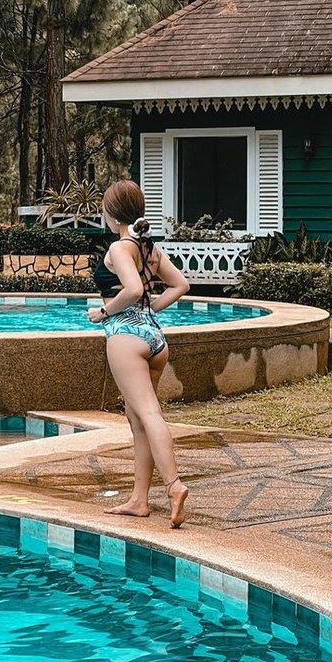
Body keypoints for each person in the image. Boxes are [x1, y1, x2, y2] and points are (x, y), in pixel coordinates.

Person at [88, 179, 190, 528]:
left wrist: (104, 313)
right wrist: (152, 309)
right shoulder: (148, 248)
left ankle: (174, 486)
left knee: (148, 414)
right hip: (154, 339)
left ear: (110, 213)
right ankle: (139, 500)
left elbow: (131, 289)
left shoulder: (121, 247)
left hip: (125, 337)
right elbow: (181, 285)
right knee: (138, 420)